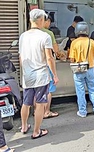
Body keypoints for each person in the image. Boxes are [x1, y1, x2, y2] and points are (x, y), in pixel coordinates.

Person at [19, 9, 59, 139]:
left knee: (26, 102)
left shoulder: (23, 36)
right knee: (40, 103)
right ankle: (37, 131)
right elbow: (49, 58)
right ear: (41, 20)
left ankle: (24, 126)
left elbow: (21, 57)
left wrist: (25, 72)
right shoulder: (45, 36)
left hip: (27, 76)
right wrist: (54, 74)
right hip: (41, 75)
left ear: (30, 20)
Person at [69, 21, 94, 118]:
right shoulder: (92, 42)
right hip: (90, 68)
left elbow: (71, 58)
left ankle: (82, 112)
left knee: (80, 91)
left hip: (78, 69)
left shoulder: (74, 43)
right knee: (92, 89)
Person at [41, 13, 65, 119]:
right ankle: (46, 111)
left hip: (35, 66)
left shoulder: (30, 33)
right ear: (45, 21)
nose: (49, 24)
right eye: (49, 21)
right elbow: (55, 50)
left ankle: (37, 111)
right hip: (46, 64)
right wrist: (60, 55)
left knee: (37, 89)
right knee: (48, 90)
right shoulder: (48, 33)